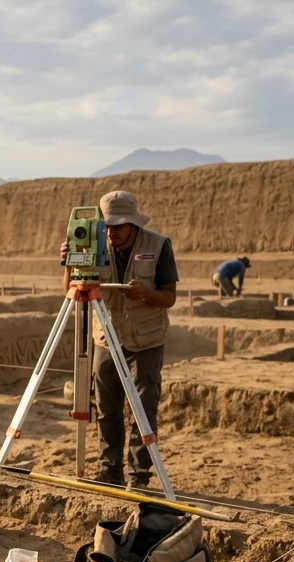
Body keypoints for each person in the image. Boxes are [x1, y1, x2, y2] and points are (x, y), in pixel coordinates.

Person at [60, 190, 178, 490]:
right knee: (106, 408)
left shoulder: (159, 245)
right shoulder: (94, 241)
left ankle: (139, 476)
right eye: (107, 226)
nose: (111, 232)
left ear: (133, 224)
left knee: (143, 409)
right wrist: (70, 263)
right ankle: (109, 470)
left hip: (146, 340)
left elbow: (169, 297)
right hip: (106, 339)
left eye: (118, 226)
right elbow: (71, 291)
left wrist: (145, 293)